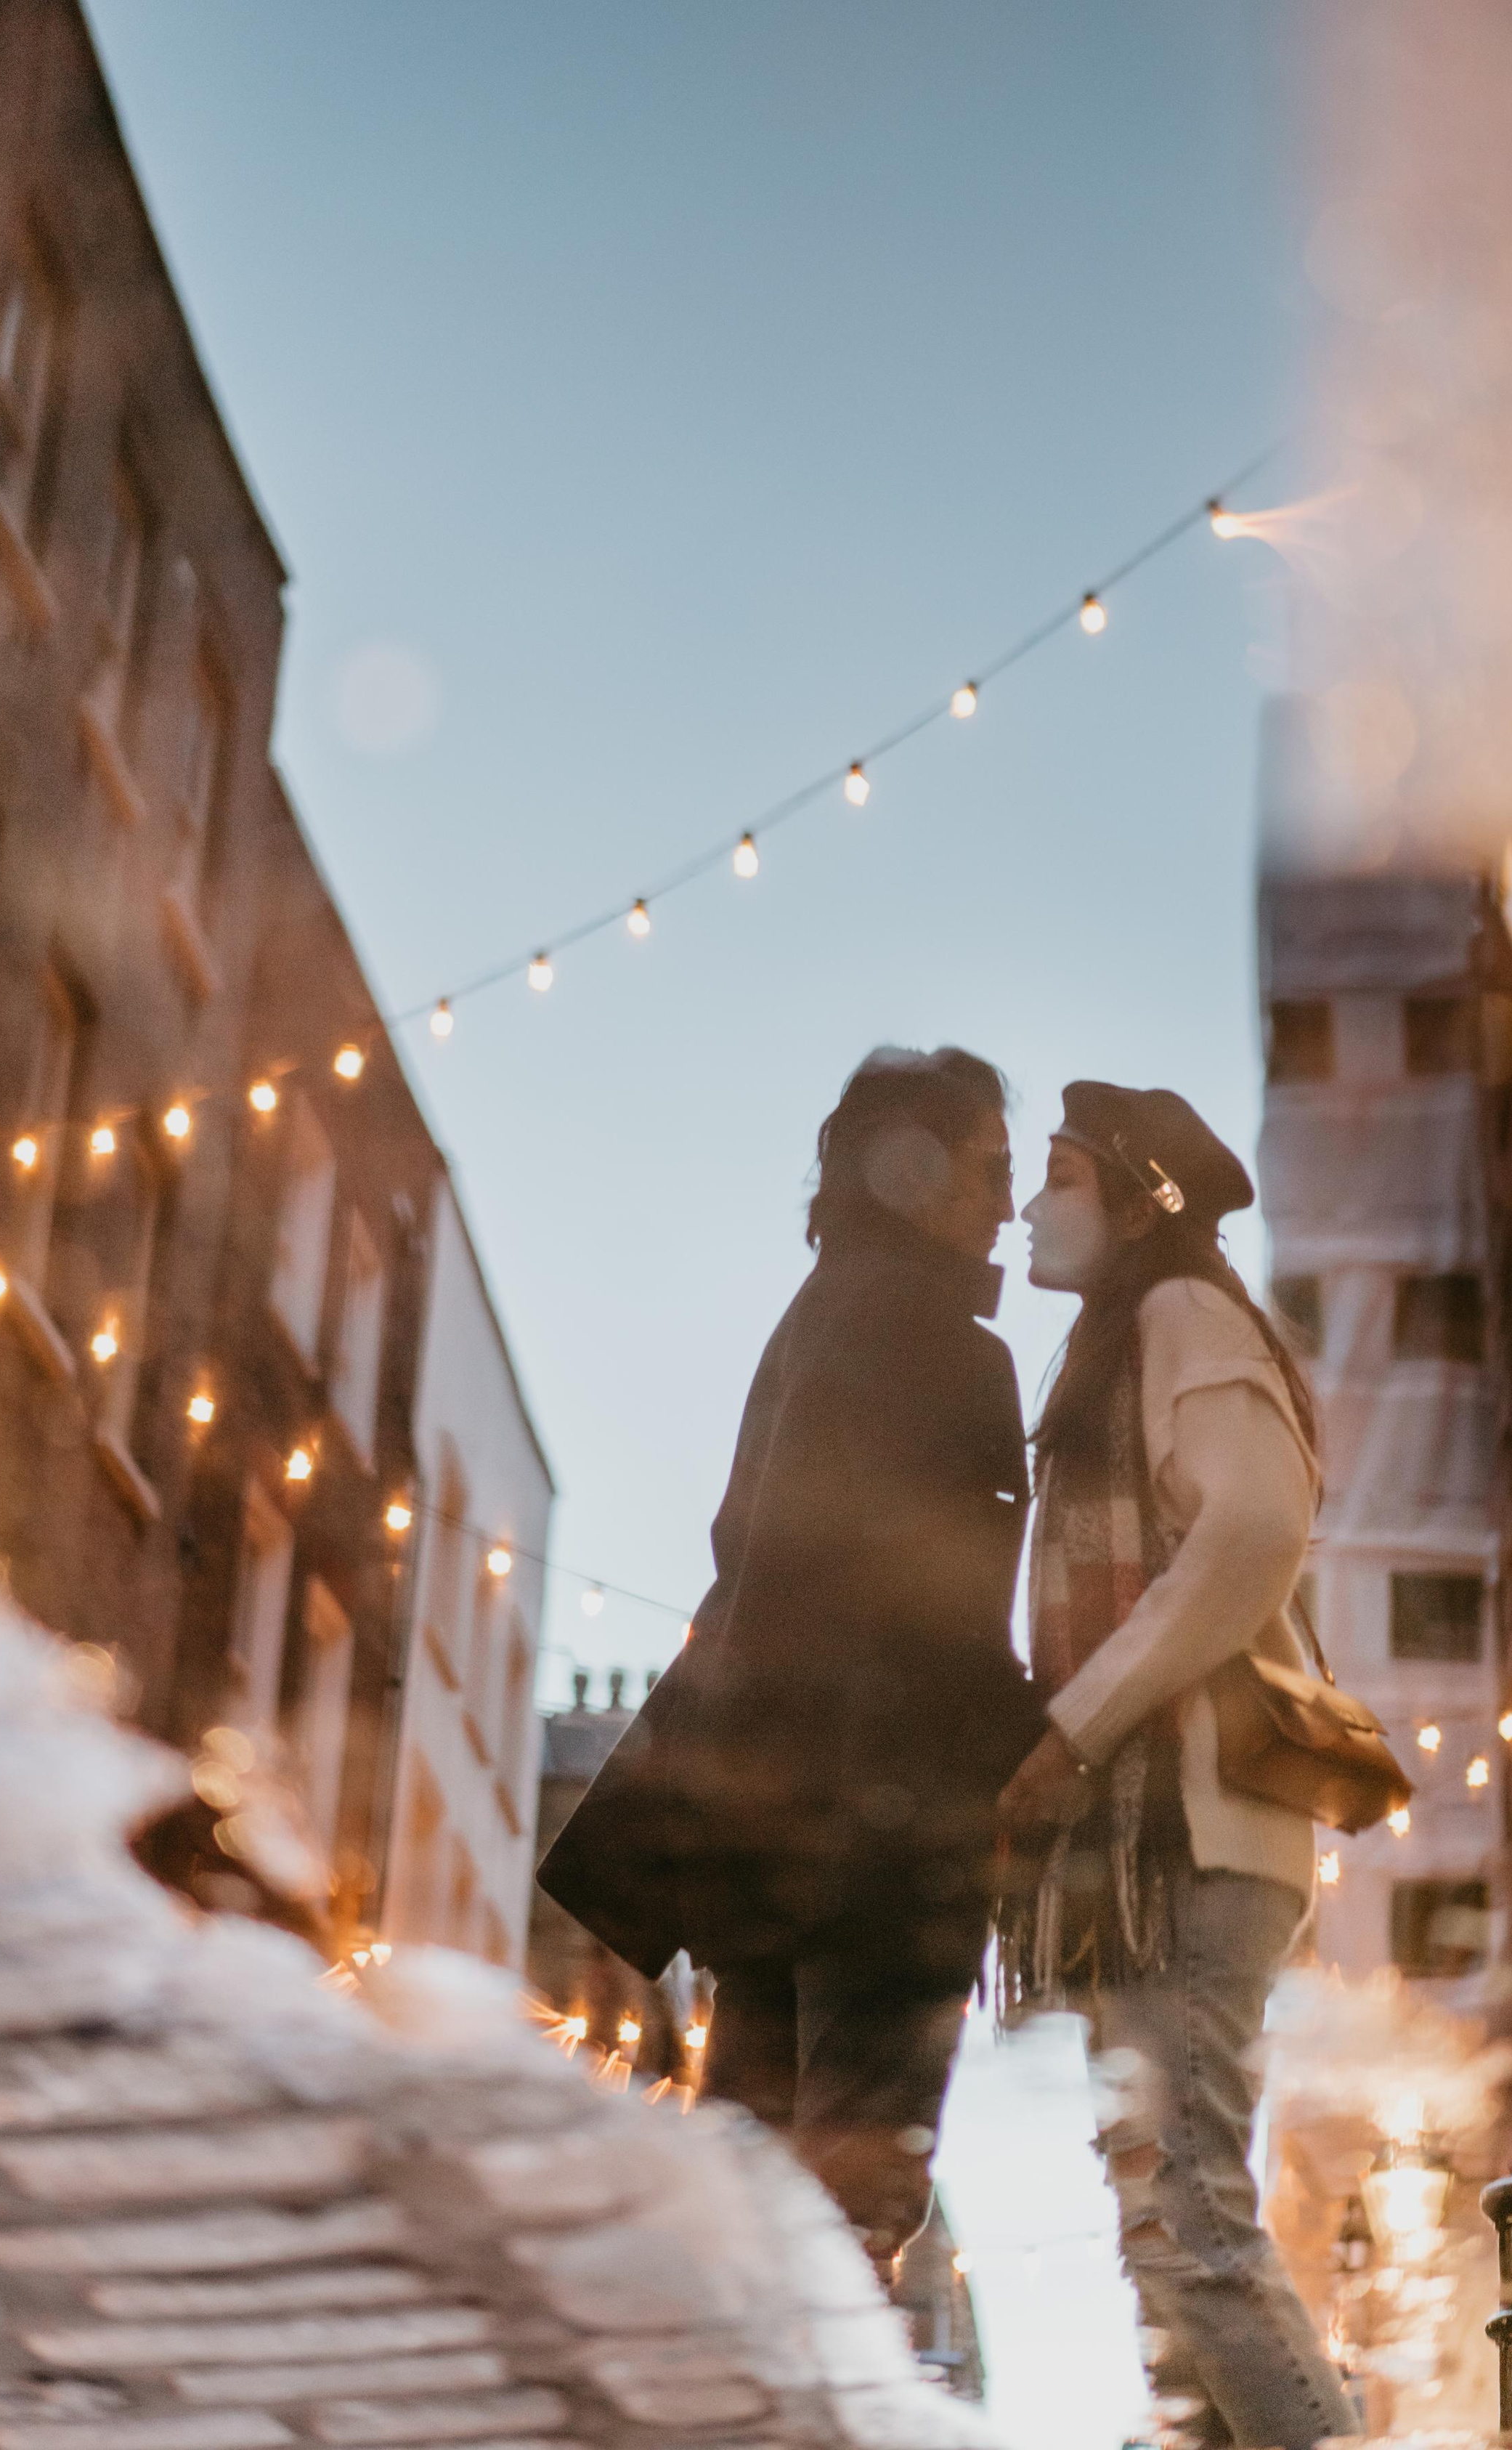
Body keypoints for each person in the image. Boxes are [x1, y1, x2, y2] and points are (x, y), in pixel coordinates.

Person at [538, 1046, 1042, 2268]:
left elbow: (780, 1582)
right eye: (990, 1166)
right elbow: (921, 1615)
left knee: (755, 2213)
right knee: (843, 2221)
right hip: (880, 1854)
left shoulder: (821, 1317)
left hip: (767, 1852)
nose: (1010, 1202)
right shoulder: (934, 1342)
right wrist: (1041, 1750)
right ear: (913, 1169)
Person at [996, 1081, 1357, 2449]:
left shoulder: (1182, 1317)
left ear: (1141, 1197)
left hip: (1192, 1837)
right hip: (1161, 1850)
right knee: (1166, 2238)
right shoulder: (1138, 1337)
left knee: (1193, 2221)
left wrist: (1074, 1726)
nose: (1034, 1204)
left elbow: (1255, 1527)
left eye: (1063, 1176)